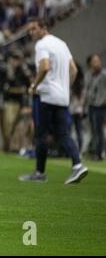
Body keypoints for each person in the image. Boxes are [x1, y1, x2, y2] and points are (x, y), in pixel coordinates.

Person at [19, 18, 88, 184]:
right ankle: (78, 165)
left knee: (41, 135)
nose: (31, 32)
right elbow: (74, 69)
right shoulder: (62, 44)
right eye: (29, 30)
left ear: (44, 28)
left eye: (34, 28)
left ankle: (40, 173)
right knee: (63, 134)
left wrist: (34, 85)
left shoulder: (42, 44)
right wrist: (64, 87)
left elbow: (44, 67)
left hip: (46, 95)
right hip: (62, 97)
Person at [85, 54, 106, 161]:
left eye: (98, 60)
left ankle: (99, 153)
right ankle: (93, 151)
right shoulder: (89, 75)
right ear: (90, 64)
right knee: (93, 130)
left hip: (100, 105)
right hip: (91, 105)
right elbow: (87, 90)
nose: (97, 63)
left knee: (99, 130)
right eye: (94, 61)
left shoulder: (104, 74)